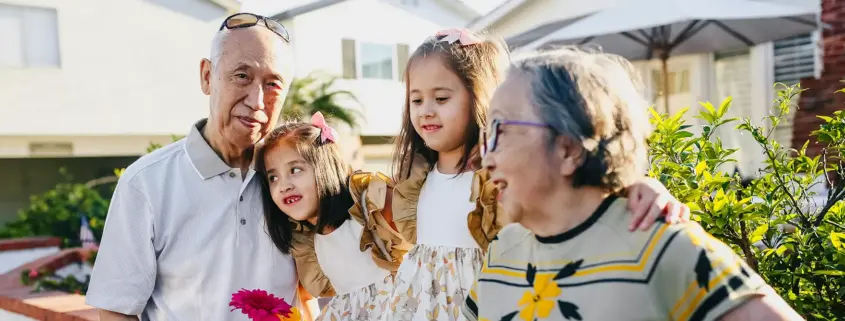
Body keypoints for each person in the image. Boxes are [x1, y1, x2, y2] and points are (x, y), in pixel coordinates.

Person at [462, 47, 803, 321]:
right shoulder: (501, 254)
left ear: (568, 148)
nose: (485, 158)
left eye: (500, 131)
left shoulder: (665, 248)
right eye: (485, 135)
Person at [383, 28, 691, 321]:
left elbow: (573, 194)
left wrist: (642, 185)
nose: (426, 110)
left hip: (492, 299)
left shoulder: (502, 174)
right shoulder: (415, 178)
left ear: (479, 97)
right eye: (416, 99)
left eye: (441, 98)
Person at [86, 13, 308, 321]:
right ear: (207, 76)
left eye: (272, 84)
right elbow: (115, 309)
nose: (257, 100)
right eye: (242, 76)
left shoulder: (301, 182)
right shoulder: (146, 183)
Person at [254, 113, 409, 321]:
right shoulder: (308, 242)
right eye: (273, 177)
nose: (284, 185)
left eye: (295, 170)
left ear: (325, 166)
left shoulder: (369, 213)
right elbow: (306, 297)